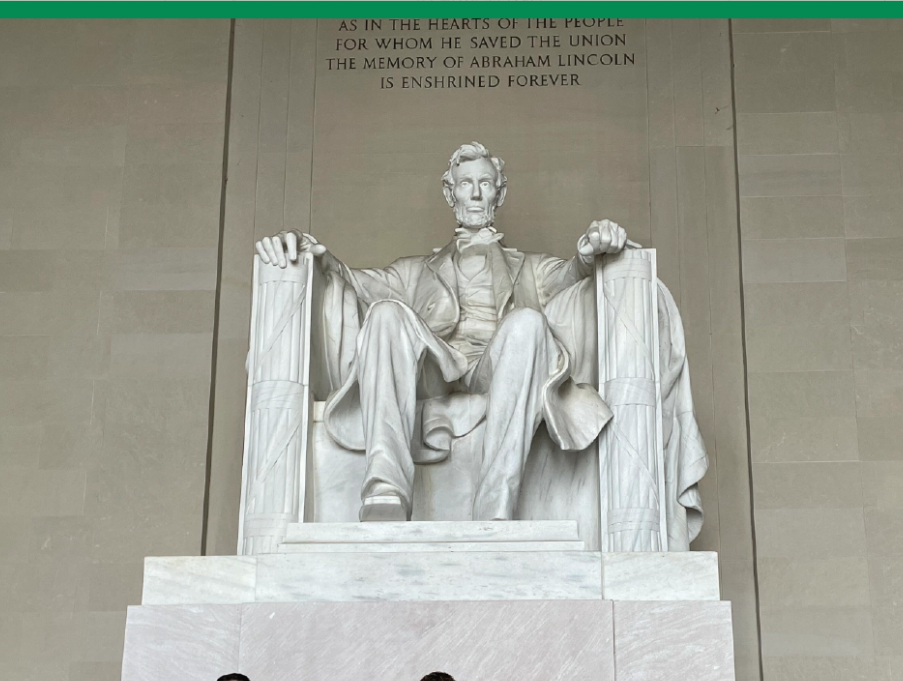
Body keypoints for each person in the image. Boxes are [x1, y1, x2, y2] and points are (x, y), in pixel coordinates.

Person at [253, 141, 707, 535]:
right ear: (450, 193)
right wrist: (316, 254)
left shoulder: (530, 267)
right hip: (437, 368)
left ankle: (496, 505)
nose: (474, 192)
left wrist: (592, 251)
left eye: (485, 183)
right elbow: (355, 282)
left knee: (528, 323)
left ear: (499, 193)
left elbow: (573, 275)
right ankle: (385, 490)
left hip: (501, 368)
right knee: (388, 315)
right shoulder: (414, 271)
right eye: (465, 183)